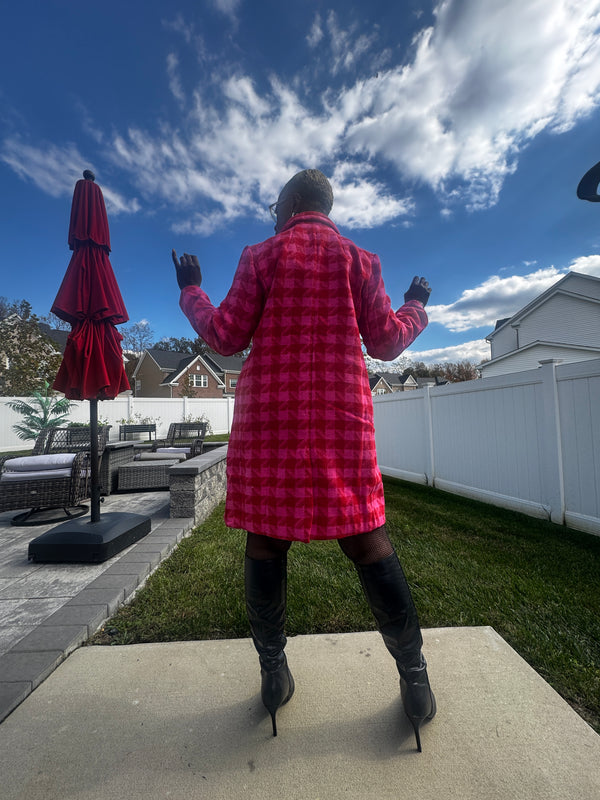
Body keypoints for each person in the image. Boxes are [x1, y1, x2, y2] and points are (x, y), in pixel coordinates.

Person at [172, 168, 436, 750]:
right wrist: (416, 305)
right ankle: (416, 680)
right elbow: (387, 342)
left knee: (266, 541)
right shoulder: (360, 261)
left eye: (276, 207)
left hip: (272, 420)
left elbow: (225, 336)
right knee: (367, 538)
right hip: (341, 418)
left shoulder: (261, 256)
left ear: (292, 202)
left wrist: (191, 290)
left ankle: (274, 676)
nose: (273, 216)